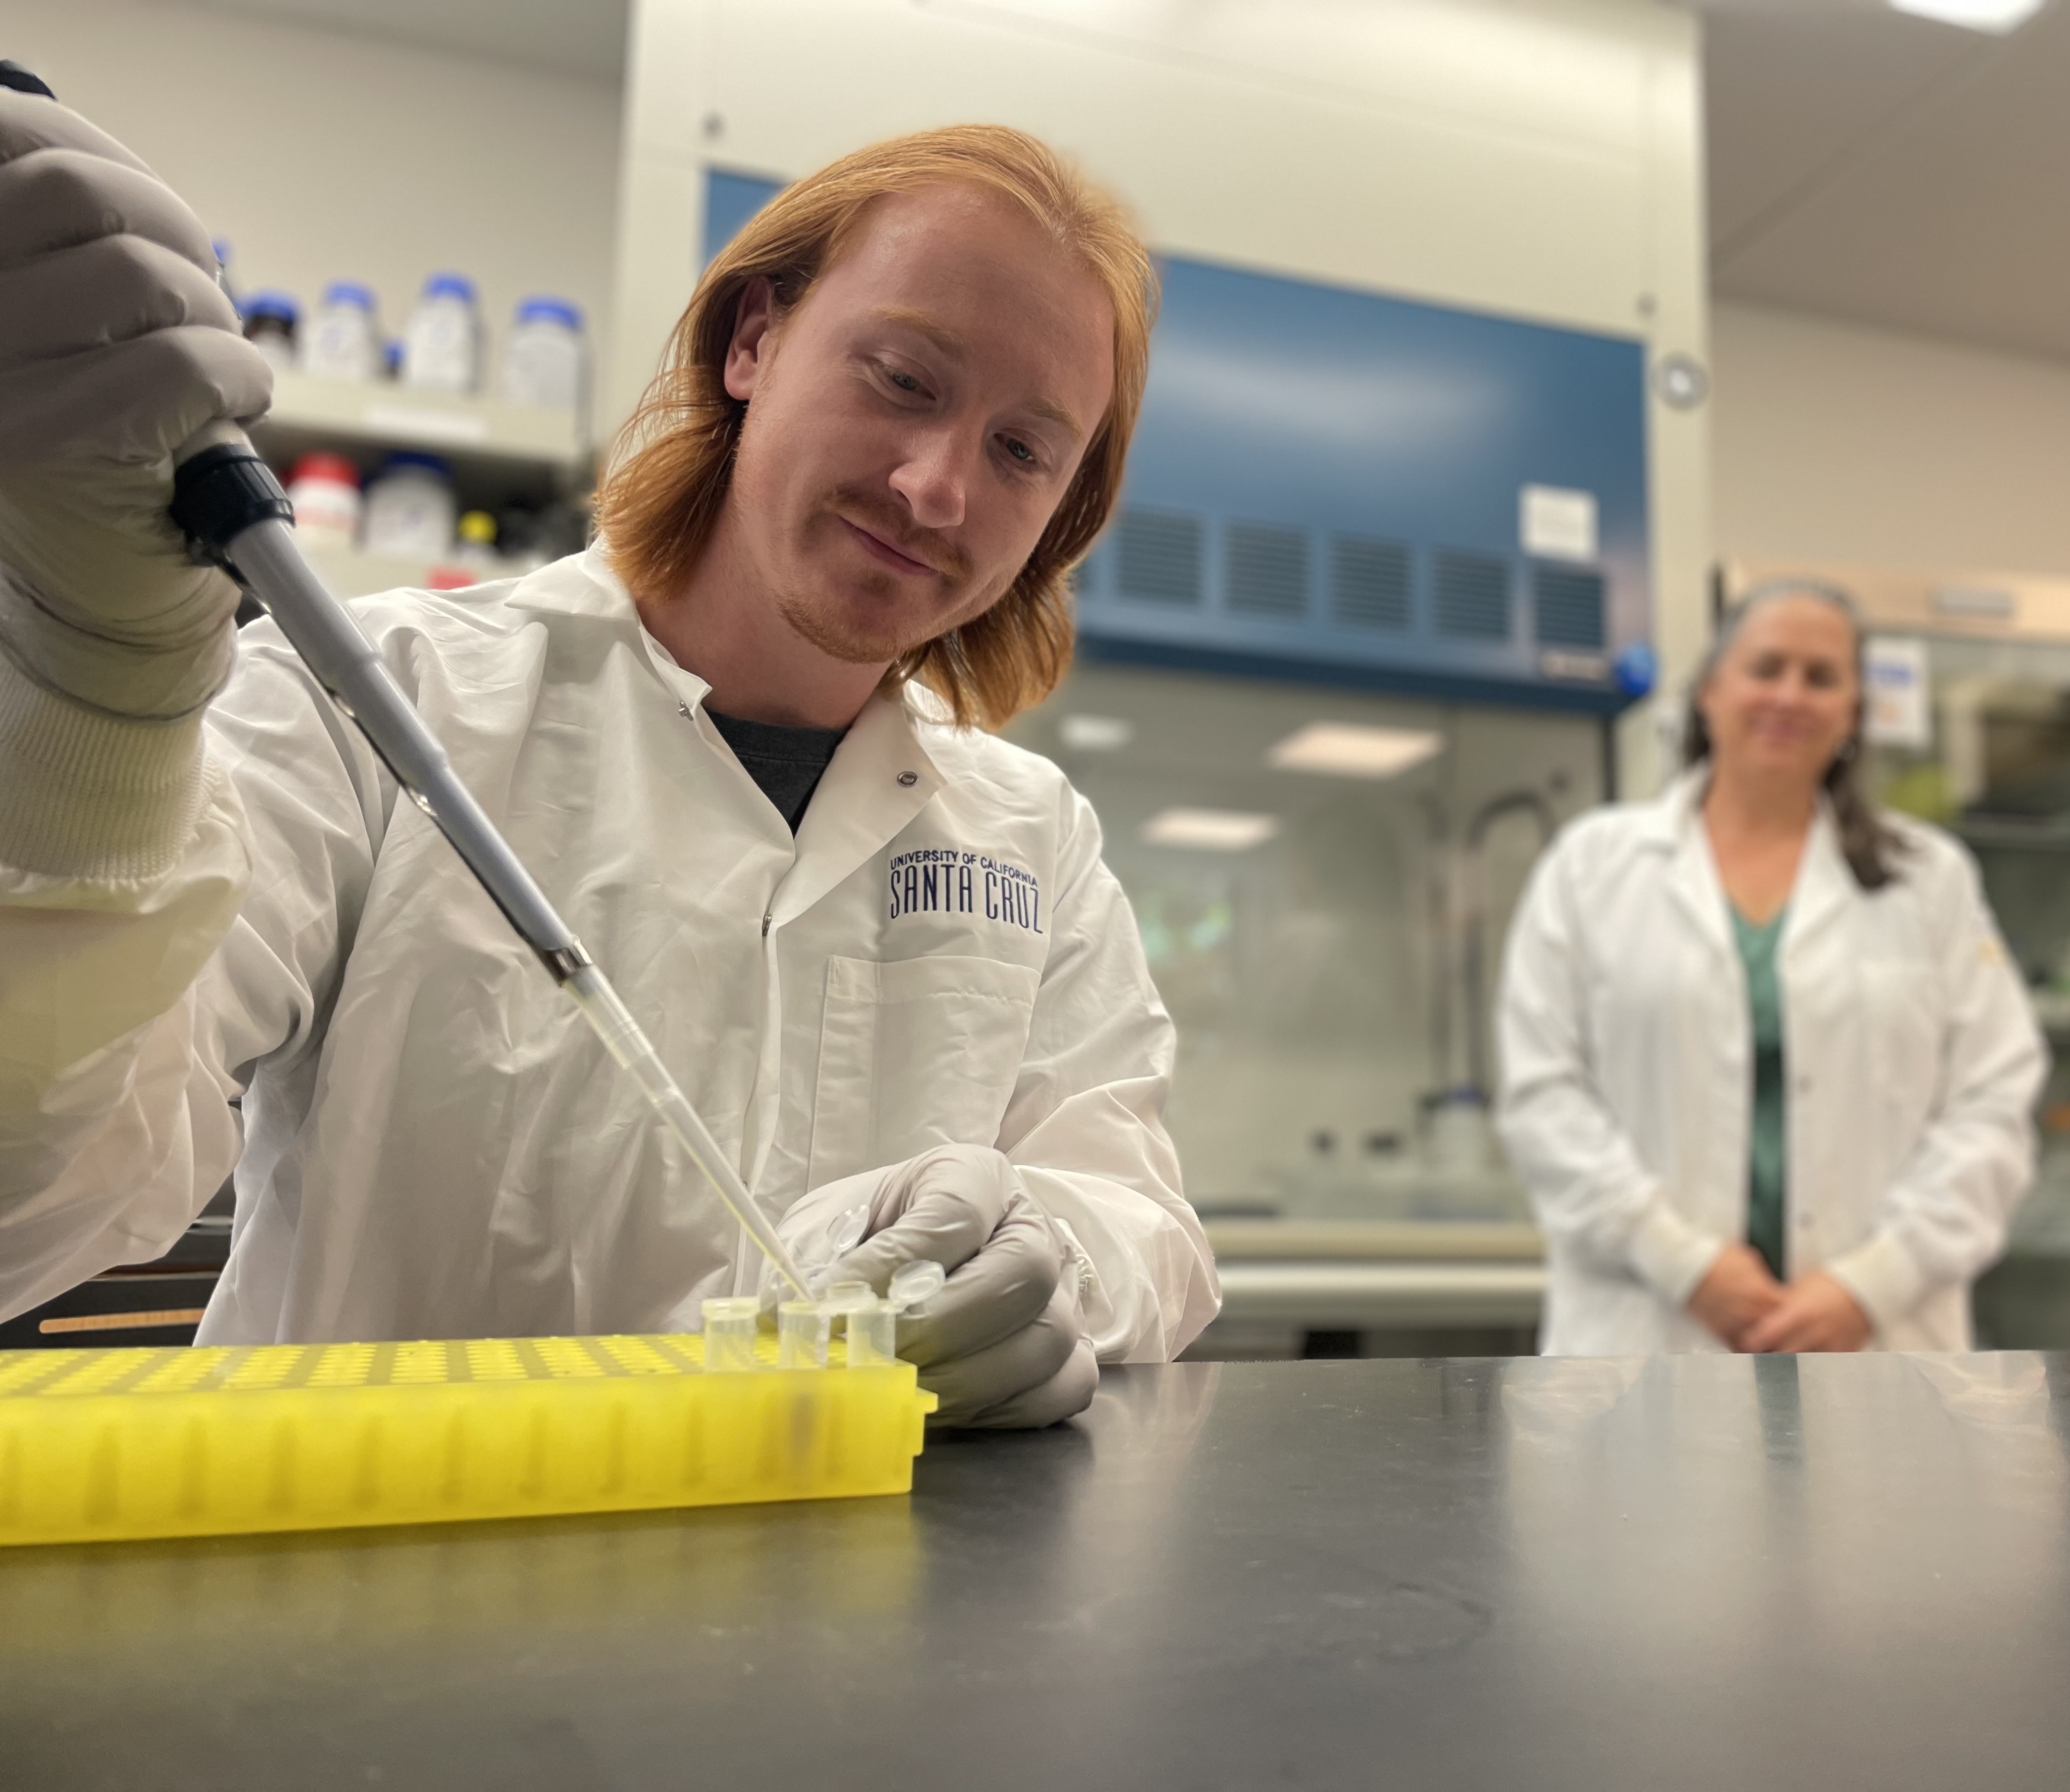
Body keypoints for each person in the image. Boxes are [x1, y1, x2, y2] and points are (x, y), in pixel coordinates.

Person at [0, 91, 1218, 1426]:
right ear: (755, 339)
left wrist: (1038, 1256)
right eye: (904, 379)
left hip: (864, 1616)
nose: (939, 488)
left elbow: (1138, 1214)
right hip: (383, 1601)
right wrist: (95, 714)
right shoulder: (379, 705)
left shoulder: (1031, 833)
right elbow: (33, 1208)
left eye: (1024, 450)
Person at [1496, 580, 2046, 1356]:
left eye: (1822, 678)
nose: (1791, 695)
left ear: (1854, 713)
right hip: (1652, 1333)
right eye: (1767, 668)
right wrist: (1679, 1260)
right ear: (1711, 691)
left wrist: (1874, 1283)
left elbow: (1993, 1099)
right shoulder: (1592, 868)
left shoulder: (1930, 880)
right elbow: (1542, 1094)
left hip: (1871, 1342)